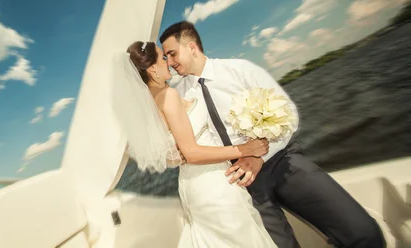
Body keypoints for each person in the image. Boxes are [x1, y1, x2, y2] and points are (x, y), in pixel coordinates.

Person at [159, 20, 385, 248]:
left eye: (172, 54)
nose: (169, 63)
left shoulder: (240, 70)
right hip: (236, 181)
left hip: (280, 162)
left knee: (361, 231)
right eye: (165, 57)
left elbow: (289, 113)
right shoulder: (177, 95)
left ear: (192, 47)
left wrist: (258, 157)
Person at [113, 41, 277, 247]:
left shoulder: (152, 103)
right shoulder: (169, 96)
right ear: (152, 68)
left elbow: (174, 154)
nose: (168, 63)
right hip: (211, 183)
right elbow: (191, 153)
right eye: (163, 58)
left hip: (194, 184)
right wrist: (246, 149)